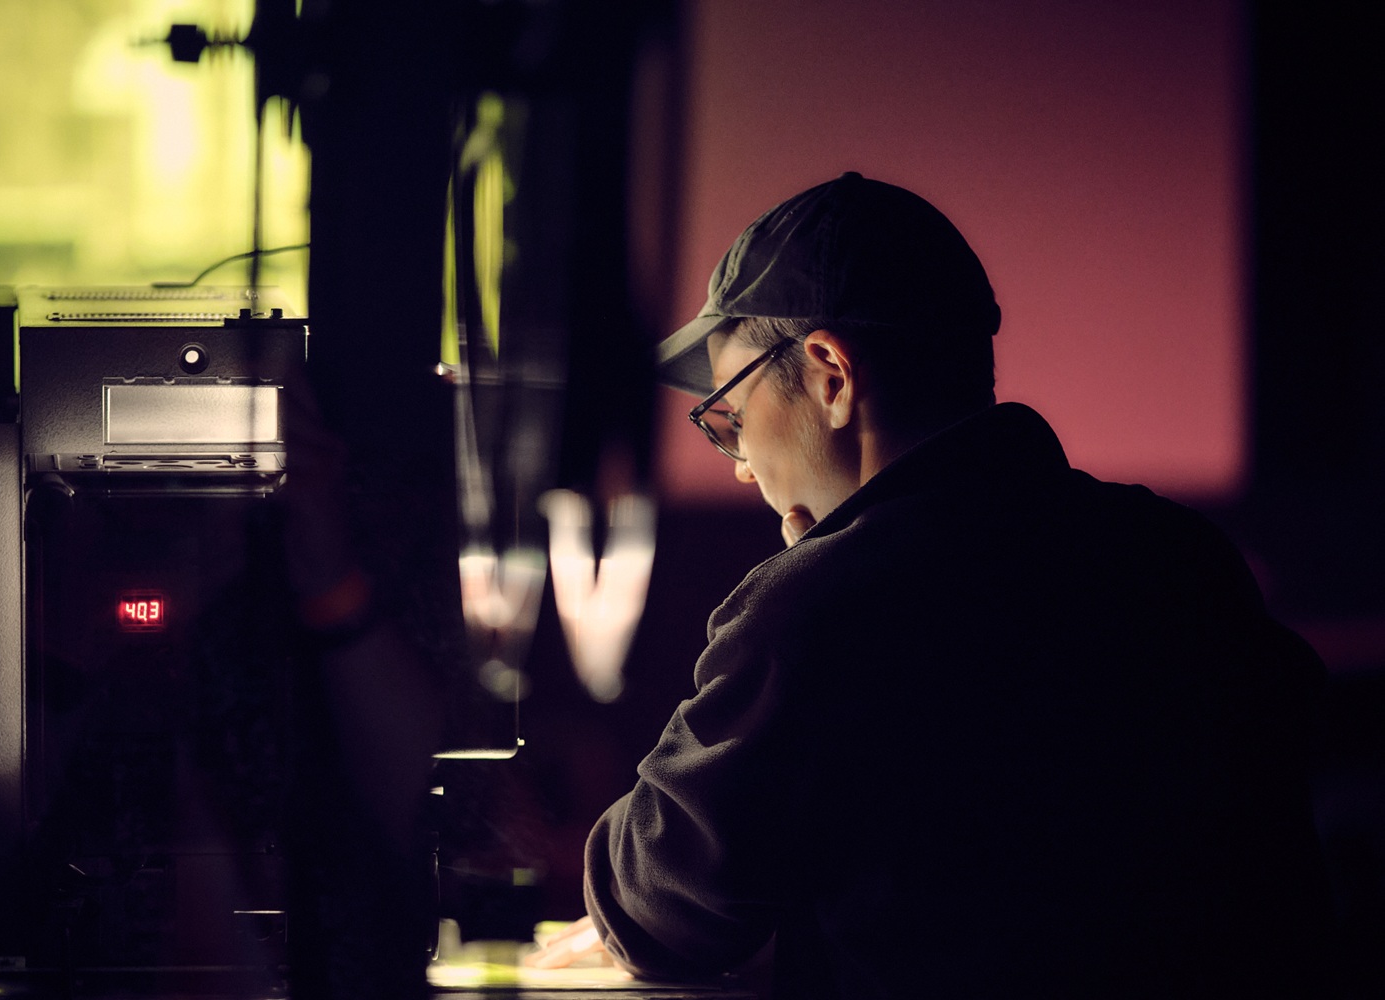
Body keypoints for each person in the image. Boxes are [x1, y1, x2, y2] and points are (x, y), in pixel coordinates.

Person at [527, 172, 1336, 997]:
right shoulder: (1181, 557)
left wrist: (803, 584)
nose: (739, 467)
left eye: (731, 416)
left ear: (831, 375)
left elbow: (660, 903)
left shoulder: (821, 608)